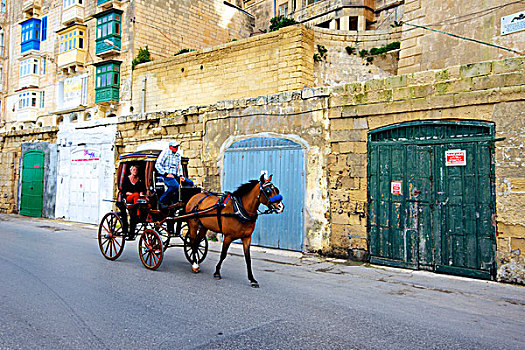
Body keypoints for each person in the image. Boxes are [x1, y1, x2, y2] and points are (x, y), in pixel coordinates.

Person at [155, 140, 194, 208]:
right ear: (170, 147)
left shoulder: (177, 155)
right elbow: (158, 165)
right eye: (174, 147)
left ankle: (183, 200)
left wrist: (181, 176)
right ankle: (162, 201)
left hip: (175, 175)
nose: (176, 148)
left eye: (177, 147)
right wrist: (165, 174)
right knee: (174, 186)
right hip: (166, 175)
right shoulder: (165, 153)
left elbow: (179, 167)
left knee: (190, 183)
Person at [120, 165, 146, 240]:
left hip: (137, 198)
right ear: (131, 171)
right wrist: (133, 194)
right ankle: (136, 212)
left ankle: (141, 213)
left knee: (141, 196)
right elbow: (124, 191)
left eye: (136, 170)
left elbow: (141, 189)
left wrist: (141, 194)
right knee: (136, 195)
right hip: (129, 197)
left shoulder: (139, 180)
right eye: (134, 170)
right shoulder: (126, 179)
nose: (135, 171)